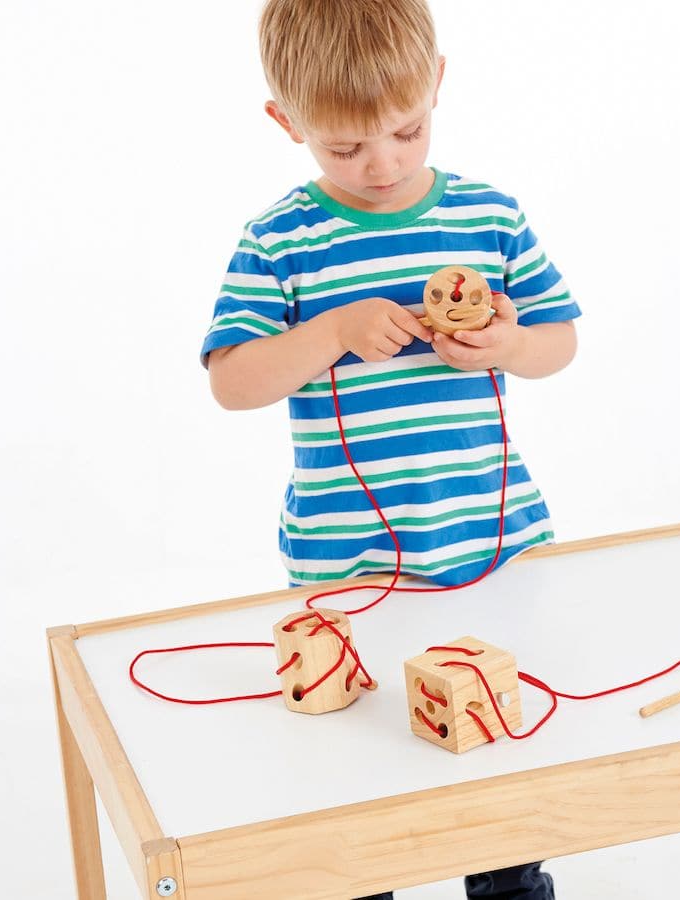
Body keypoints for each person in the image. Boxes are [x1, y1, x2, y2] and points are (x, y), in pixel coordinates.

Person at [201, 2, 579, 897]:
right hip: (348, 561)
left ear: (437, 84)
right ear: (286, 123)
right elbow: (233, 380)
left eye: (407, 131)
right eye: (345, 148)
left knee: (495, 776)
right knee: (360, 783)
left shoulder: (490, 214)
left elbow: (558, 342)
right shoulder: (281, 239)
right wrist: (327, 330)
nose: (384, 163)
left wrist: (510, 346)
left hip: (489, 547)